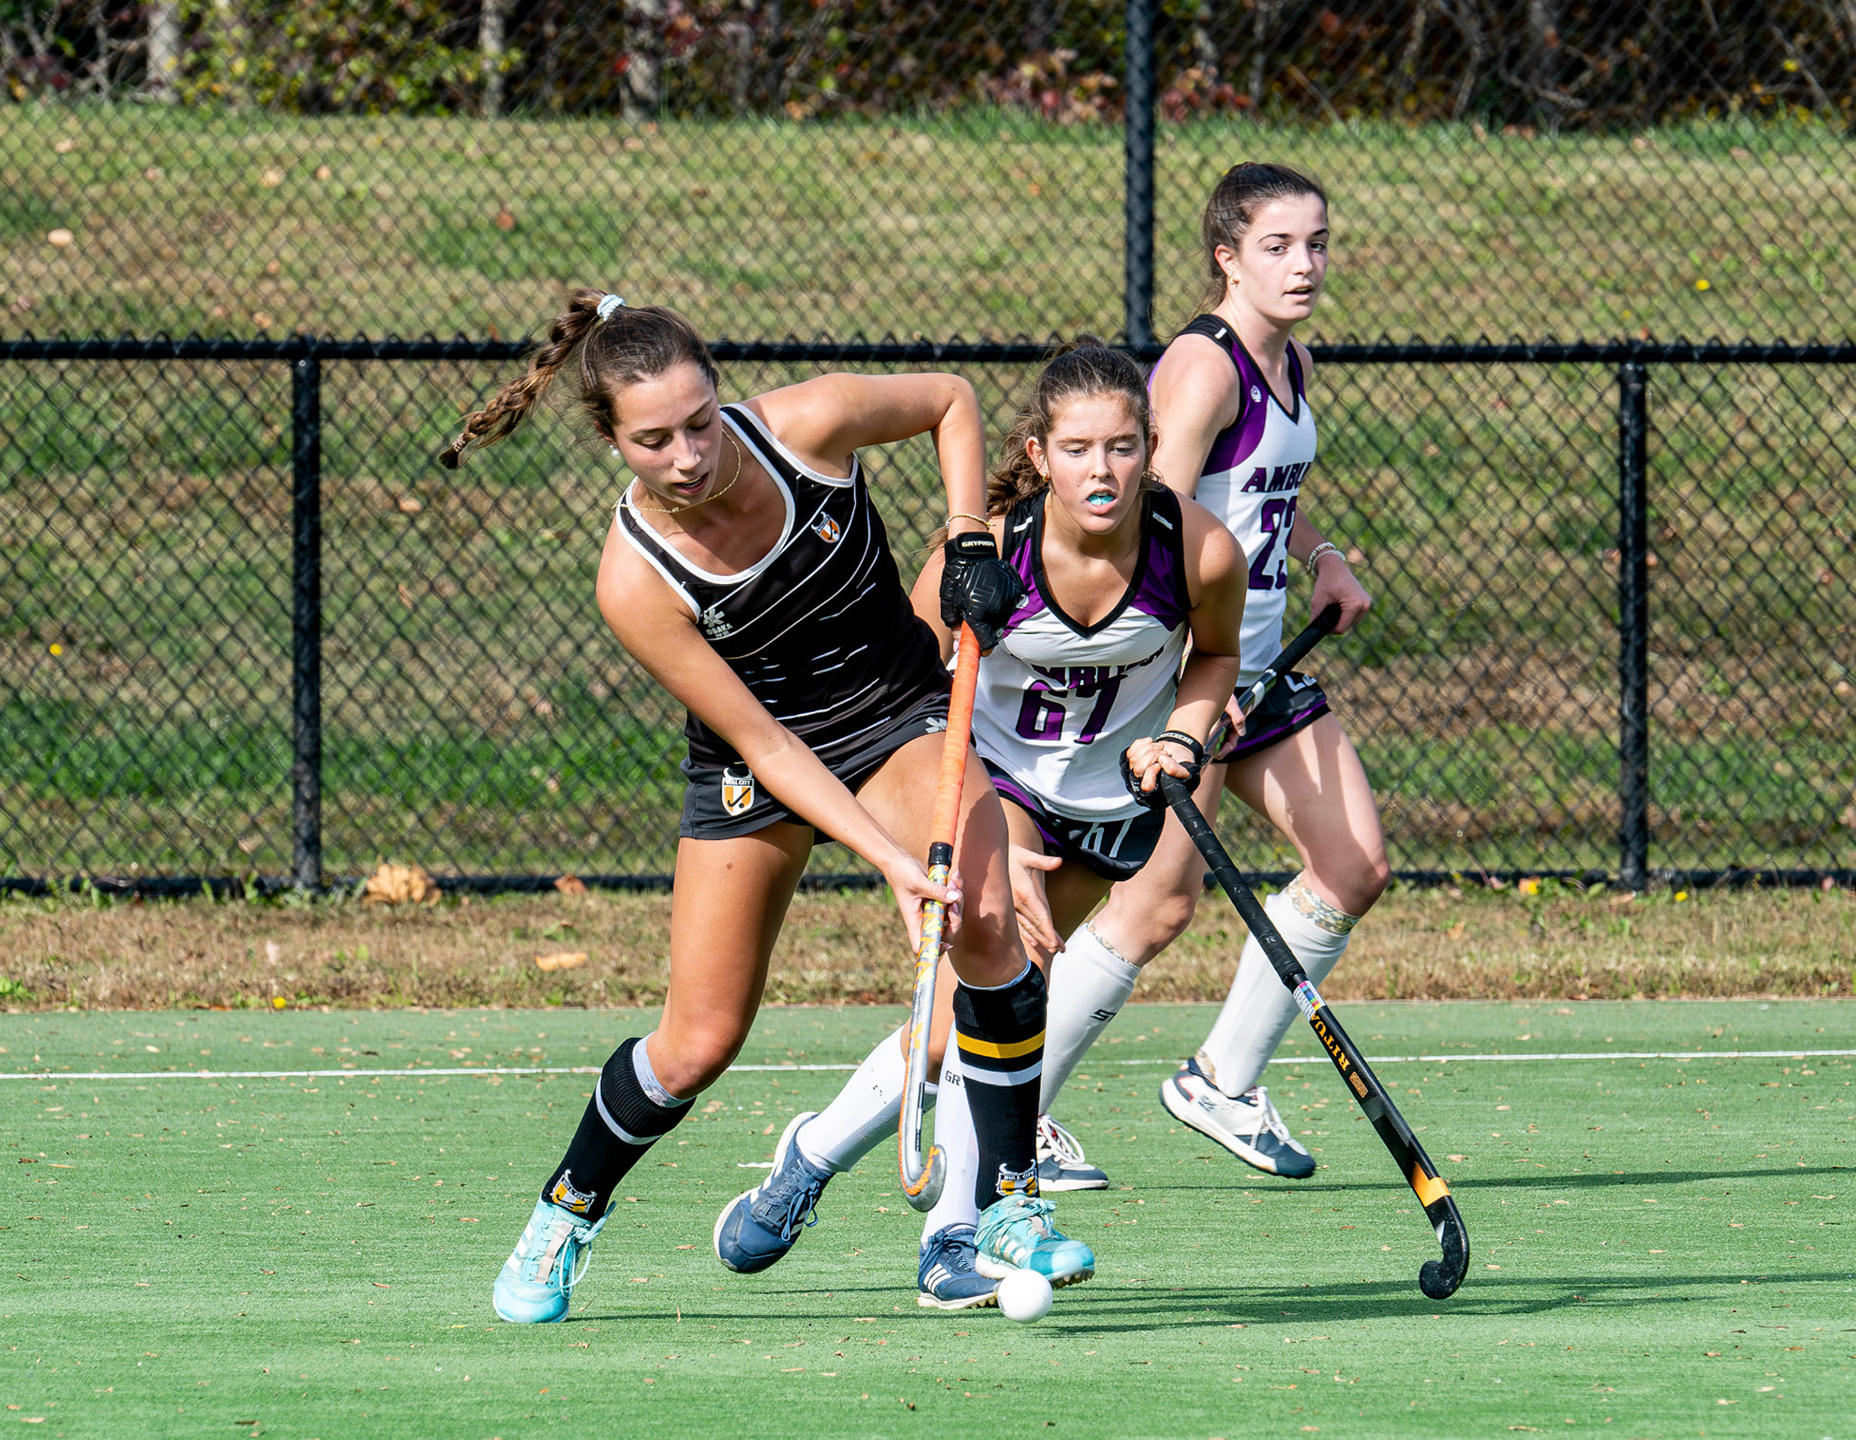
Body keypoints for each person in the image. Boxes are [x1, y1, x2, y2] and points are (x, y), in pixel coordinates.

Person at [442, 289, 1062, 1324]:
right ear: (612, 443)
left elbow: (951, 400)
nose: (688, 456)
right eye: (654, 441)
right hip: (758, 758)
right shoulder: (635, 582)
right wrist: (889, 859)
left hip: (894, 707)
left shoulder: (808, 427)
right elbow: (770, 746)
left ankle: (1006, 1205)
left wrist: (967, 541)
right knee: (696, 1043)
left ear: (720, 394)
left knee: (990, 925)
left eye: (700, 422)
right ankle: (567, 1209)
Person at [713, 340, 1245, 1308]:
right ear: (1039, 454)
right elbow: (901, 692)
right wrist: (960, 832)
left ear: (1150, 447)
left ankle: (812, 1156)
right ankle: (957, 1233)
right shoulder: (994, 557)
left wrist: (1182, 734)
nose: (1101, 471)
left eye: (1122, 448)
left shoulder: (1199, 551)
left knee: (966, 1026)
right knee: (998, 999)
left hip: (1103, 809)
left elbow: (1214, 658)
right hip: (987, 789)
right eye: (1077, 450)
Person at [1036, 162, 1387, 1183]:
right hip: (1194, 671)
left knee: (1352, 867)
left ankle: (1221, 1081)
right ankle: (1014, 1116)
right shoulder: (1203, 370)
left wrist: (1322, 558)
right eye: (1278, 246)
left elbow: (1265, 492)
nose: (1305, 264)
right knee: (1154, 908)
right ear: (1228, 257)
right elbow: (1151, 523)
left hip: (1263, 666)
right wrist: (1196, 684)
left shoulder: (1292, 360)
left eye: (1317, 243)